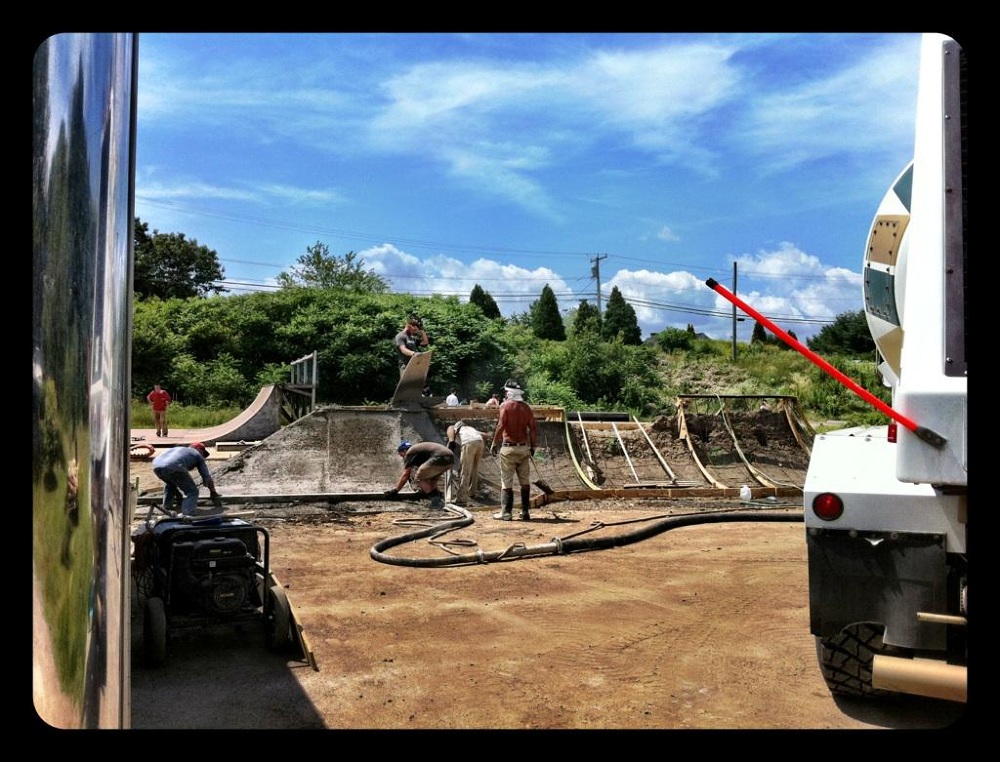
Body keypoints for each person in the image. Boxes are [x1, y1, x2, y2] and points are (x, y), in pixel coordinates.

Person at [488, 379, 538, 521]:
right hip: (523, 448)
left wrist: (494, 443)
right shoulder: (526, 408)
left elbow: (501, 425)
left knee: (506, 481)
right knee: (524, 482)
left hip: (508, 448)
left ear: (509, 392)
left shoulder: (505, 406)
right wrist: (533, 446)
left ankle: (506, 513)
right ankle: (525, 512)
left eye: (505, 391)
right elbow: (533, 428)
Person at [152, 442, 221, 517]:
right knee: (192, 492)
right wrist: (213, 492)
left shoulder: (179, 449)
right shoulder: (197, 454)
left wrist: (179, 497)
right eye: (202, 452)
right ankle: (188, 514)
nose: (203, 455)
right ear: (198, 449)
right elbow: (206, 477)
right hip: (174, 466)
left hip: (156, 466)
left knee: (170, 485)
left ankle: (166, 507)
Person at [385, 440, 454, 508]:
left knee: (418, 478)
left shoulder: (410, 453)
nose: (403, 458)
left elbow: (405, 475)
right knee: (432, 479)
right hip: (450, 459)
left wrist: (396, 490)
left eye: (402, 455)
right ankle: (437, 498)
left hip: (439, 457)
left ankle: (435, 500)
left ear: (404, 451)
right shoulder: (419, 451)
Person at [445, 420, 487, 506]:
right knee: (475, 470)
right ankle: (472, 492)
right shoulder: (470, 429)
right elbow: (485, 435)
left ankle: (461, 499)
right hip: (480, 442)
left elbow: (450, 428)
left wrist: (451, 441)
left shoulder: (455, 428)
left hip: (468, 443)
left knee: (465, 471)